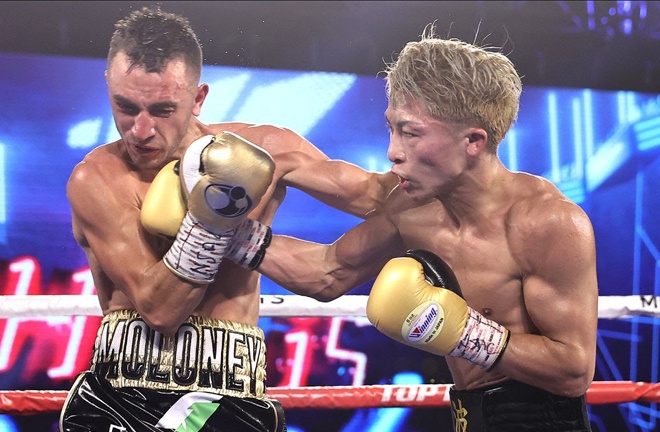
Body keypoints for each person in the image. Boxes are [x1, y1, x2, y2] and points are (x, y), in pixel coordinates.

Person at [60, 6, 396, 432]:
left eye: (162, 109)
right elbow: (160, 309)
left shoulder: (266, 150)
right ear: (108, 84)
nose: (140, 130)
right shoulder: (98, 178)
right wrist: (212, 219)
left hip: (231, 398)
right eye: (126, 106)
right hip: (122, 398)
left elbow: (381, 200)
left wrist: (442, 166)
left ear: (198, 98)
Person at [254, 24, 599, 431]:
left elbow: (573, 370)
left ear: (473, 141)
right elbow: (327, 272)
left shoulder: (548, 222)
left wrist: (465, 331)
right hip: (467, 417)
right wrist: (222, 233)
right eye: (392, 127)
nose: (393, 151)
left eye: (410, 133)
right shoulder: (413, 208)